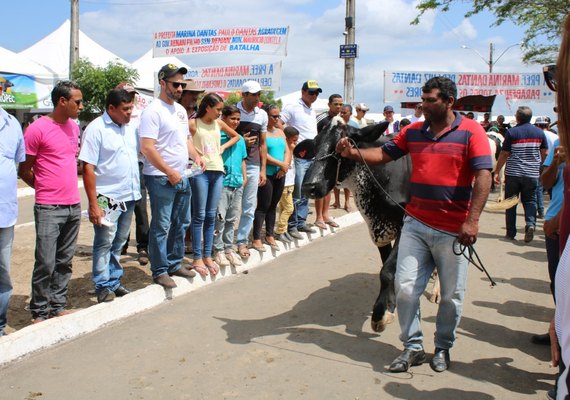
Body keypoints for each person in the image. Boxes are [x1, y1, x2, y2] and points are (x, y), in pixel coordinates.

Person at [336, 76, 492, 373]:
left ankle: (443, 346)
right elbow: (384, 154)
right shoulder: (413, 131)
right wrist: (353, 153)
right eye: (423, 98)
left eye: (430, 99)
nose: (424, 104)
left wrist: (472, 220)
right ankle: (413, 347)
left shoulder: (472, 132)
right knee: (405, 288)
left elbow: (484, 175)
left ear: (449, 101)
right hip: (416, 225)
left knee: (451, 295)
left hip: (452, 229)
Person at [18, 81, 84, 323]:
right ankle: (39, 311)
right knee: (45, 261)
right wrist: (44, 189)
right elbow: (25, 169)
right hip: (48, 206)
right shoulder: (37, 129)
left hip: (73, 205)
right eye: (77, 101)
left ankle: (57, 305)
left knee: (64, 261)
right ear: (62, 101)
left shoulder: (74, 128)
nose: (81, 106)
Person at [139, 64, 203, 289]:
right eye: (175, 84)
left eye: (182, 85)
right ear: (162, 83)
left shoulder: (180, 111)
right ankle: (159, 270)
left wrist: (196, 156)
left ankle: (175, 262)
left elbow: (186, 140)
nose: (179, 88)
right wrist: (169, 171)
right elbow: (147, 148)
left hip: (182, 175)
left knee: (181, 221)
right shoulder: (152, 111)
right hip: (160, 177)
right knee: (162, 225)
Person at [78, 89, 140, 303]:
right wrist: (94, 203)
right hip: (107, 197)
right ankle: (102, 285)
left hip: (129, 194)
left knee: (120, 240)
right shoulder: (96, 129)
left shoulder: (131, 128)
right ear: (111, 108)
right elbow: (88, 167)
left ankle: (114, 280)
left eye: (131, 108)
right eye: (125, 109)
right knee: (104, 241)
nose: (129, 113)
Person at [189, 93, 240, 277]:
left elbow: (236, 137)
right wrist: (196, 153)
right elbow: (183, 140)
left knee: (211, 216)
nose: (220, 113)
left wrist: (223, 148)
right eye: (218, 109)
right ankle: (197, 257)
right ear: (207, 107)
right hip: (200, 172)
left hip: (218, 171)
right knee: (199, 215)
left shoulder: (219, 124)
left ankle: (208, 255)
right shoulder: (193, 123)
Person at [493, 106, 547, 243]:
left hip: (513, 173)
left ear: (517, 117)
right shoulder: (540, 133)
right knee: (530, 201)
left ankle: (511, 233)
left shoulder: (512, 132)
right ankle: (530, 224)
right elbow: (544, 153)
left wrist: (497, 170)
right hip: (532, 174)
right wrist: (538, 167)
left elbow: (504, 153)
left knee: (511, 202)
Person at [281, 80, 323, 238]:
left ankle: (301, 222)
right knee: (296, 192)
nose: (314, 95)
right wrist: (291, 143)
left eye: (316, 93)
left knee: (306, 191)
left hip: (312, 155)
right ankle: (292, 226)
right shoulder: (292, 107)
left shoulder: (311, 110)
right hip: (299, 156)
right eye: (311, 92)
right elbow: (279, 124)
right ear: (303, 92)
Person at [235, 80, 268, 259]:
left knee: (249, 206)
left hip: (254, 164)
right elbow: (223, 136)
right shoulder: (233, 111)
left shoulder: (262, 114)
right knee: (230, 206)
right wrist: (240, 140)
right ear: (244, 94)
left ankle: (241, 241)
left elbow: (263, 143)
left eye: (258, 94)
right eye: (253, 94)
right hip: (234, 164)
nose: (257, 98)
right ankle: (222, 245)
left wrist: (263, 169)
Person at [117, 83, 149, 266]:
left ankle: (143, 246)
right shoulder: (114, 115)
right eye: (126, 94)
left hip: (137, 164)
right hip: (119, 166)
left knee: (140, 206)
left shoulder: (141, 115)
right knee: (120, 205)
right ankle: (121, 243)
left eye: (132, 95)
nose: (131, 98)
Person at [0, 106, 25, 335]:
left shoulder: (12, 124)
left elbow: (18, 163)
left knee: (3, 272)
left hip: (5, 212)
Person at [251, 105, 290, 252]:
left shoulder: (280, 131)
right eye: (274, 116)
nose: (277, 119)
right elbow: (263, 153)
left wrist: (284, 166)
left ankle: (270, 234)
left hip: (280, 173)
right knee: (263, 206)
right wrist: (281, 164)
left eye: (278, 116)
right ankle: (256, 237)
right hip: (267, 172)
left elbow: (287, 150)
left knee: (273, 205)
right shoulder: (263, 133)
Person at [212, 105, 247, 268]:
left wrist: (244, 177)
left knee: (232, 218)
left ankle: (228, 248)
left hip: (238, 183)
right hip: (223, 182)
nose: (236, 122)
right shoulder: (217, 136)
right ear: (223, 119)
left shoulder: (239, 139)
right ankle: (217, 249)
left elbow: (242, 159)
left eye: (238, 119)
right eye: (232, 118)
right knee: (220, 218)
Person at [315, 94, 343, 225]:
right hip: (320, 158)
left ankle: (326, 215)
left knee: (328, 187)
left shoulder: (340, 120)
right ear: (329, 104)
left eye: (340, 104)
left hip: (333, 158)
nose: (338, 106)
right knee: (319, 187)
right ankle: (318, 217)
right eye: (335, 104)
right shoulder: (321, 118)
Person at [274, 127, 300, 243]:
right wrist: (290, 149)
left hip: (291, 182)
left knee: (284, 207)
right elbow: (286, 164)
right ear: (287, 139)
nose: (296, 143)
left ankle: (283, 230)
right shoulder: (287, 150)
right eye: (294, 140)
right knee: (289, 208)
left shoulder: (291, 149)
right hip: (285, 183)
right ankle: (280, 230)